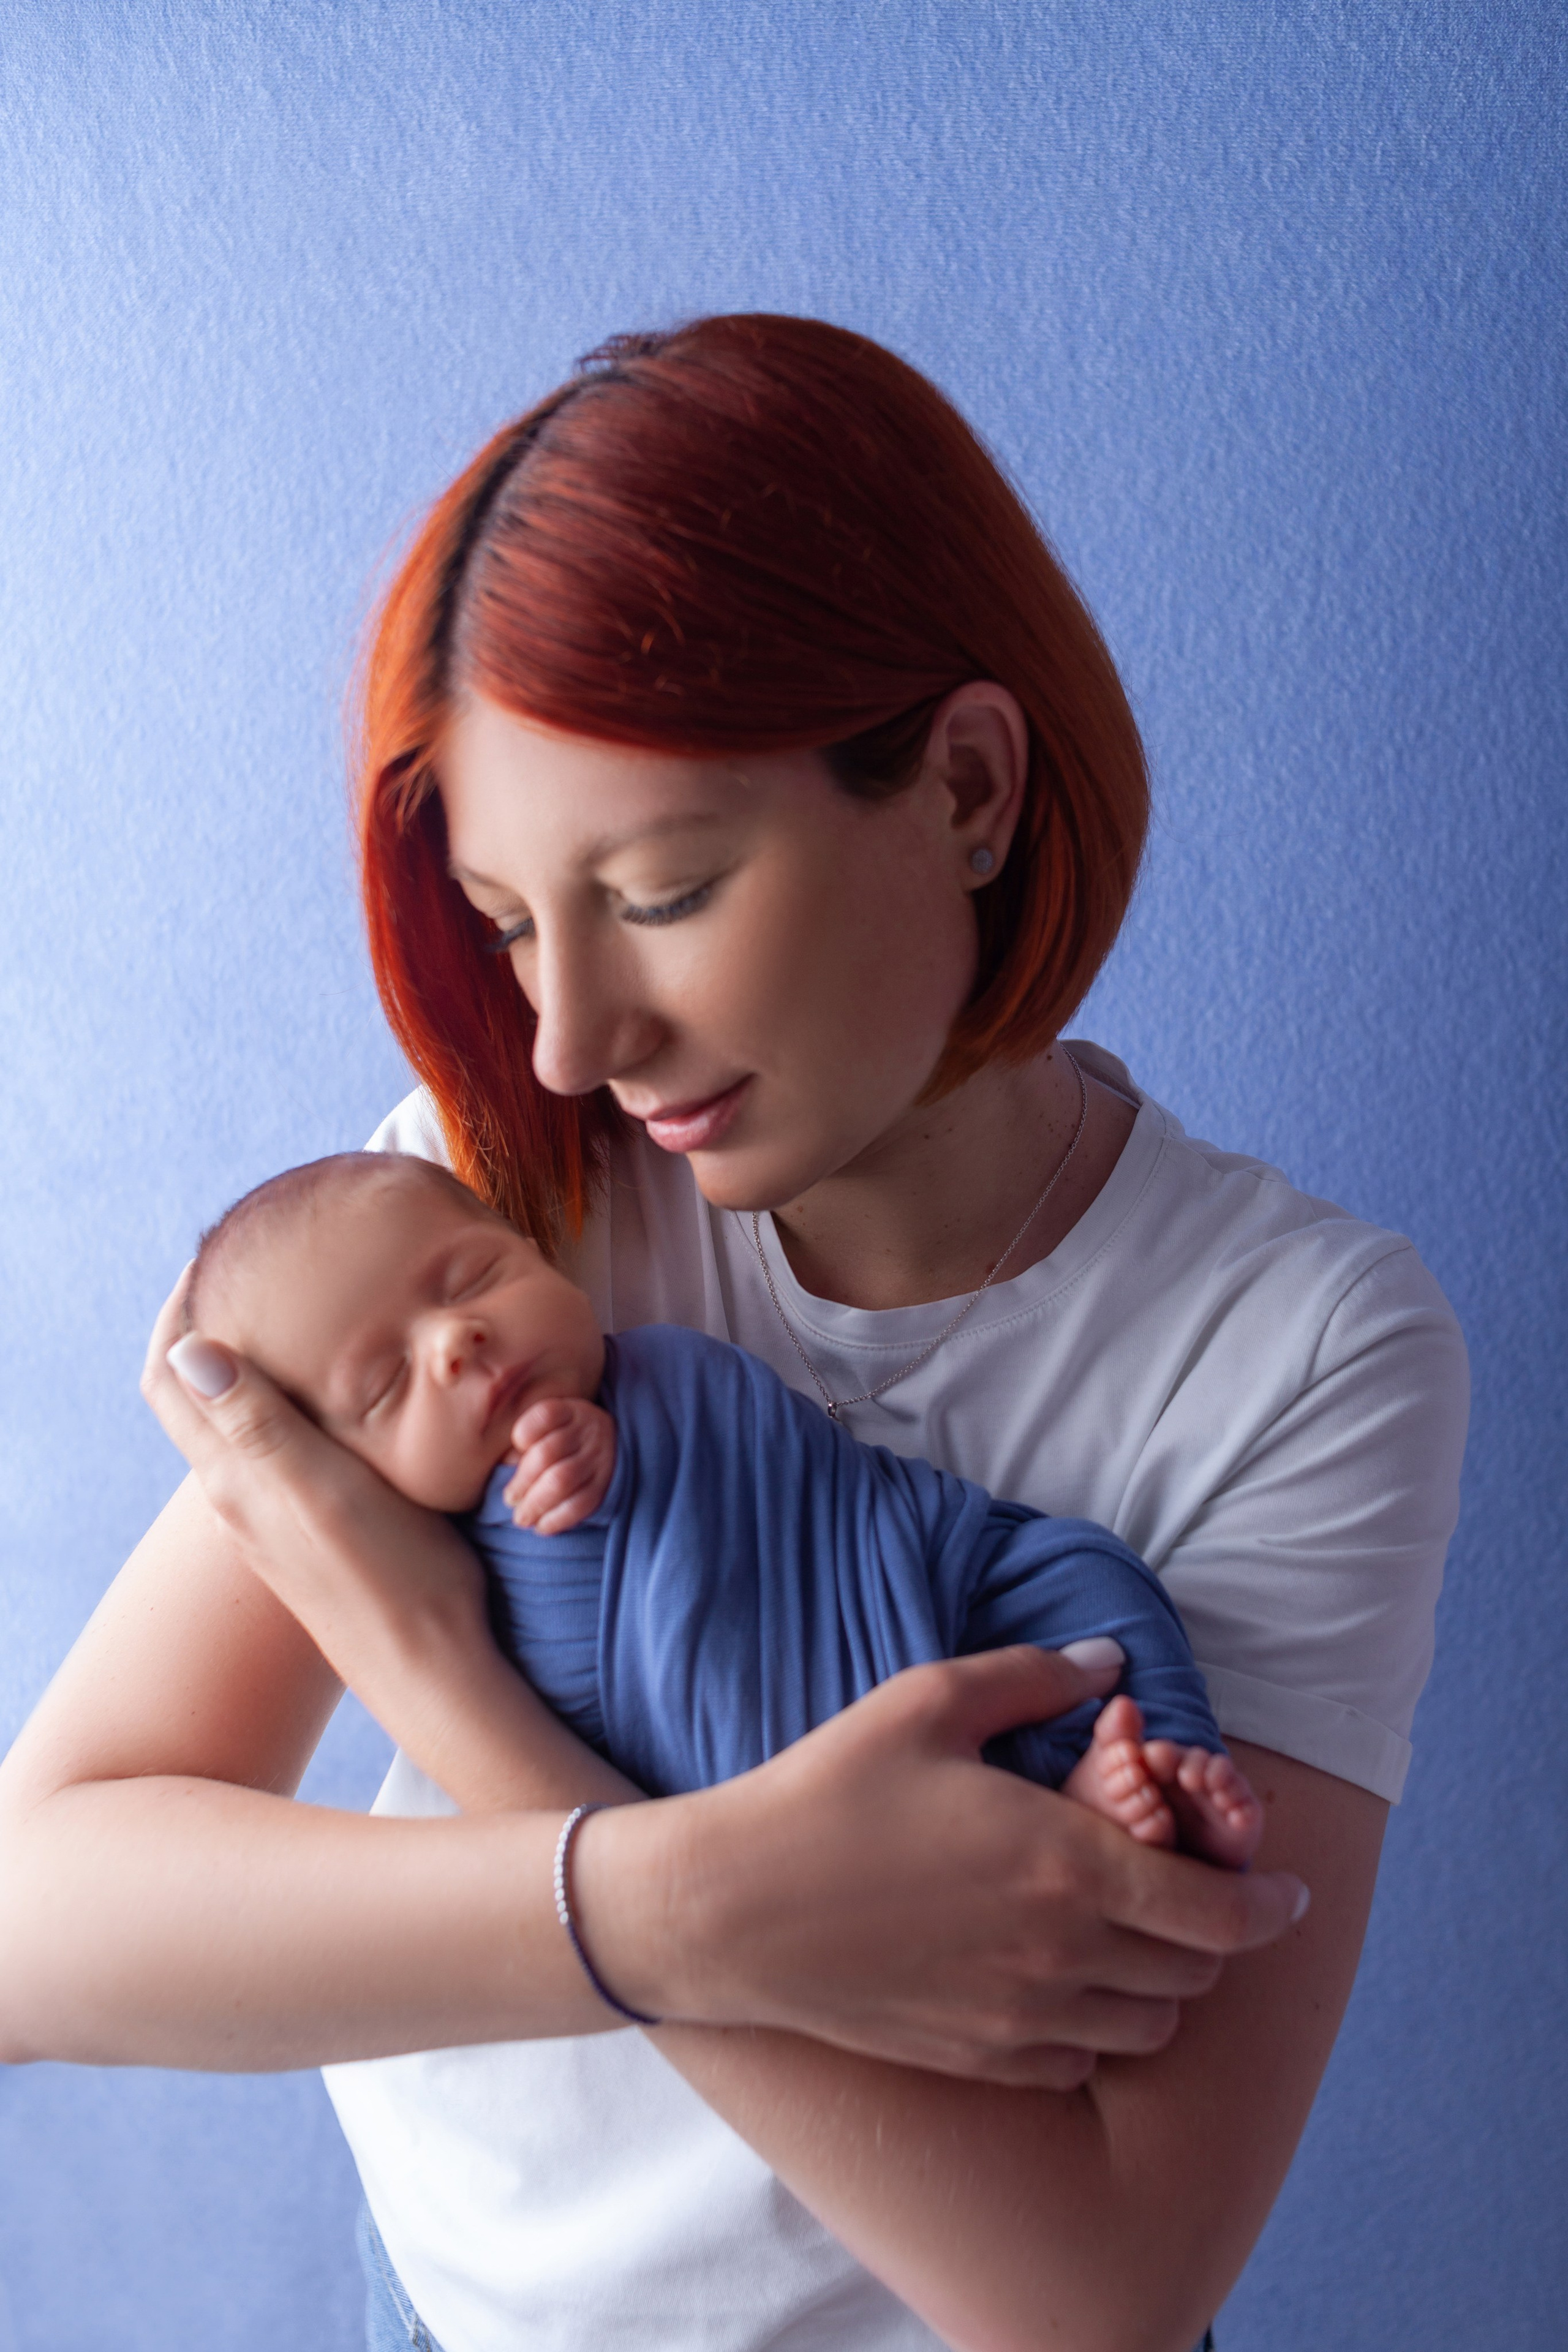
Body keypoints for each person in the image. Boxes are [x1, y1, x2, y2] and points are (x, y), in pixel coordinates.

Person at [0, 314, 1468, 2352]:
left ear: (968, 786)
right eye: (513, 923)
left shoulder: (1299, 1352)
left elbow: (1101, 2289)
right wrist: (684, 1904)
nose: (568, 1037)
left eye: (664, 893)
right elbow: (33, 1930)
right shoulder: (492, 1203)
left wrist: (440, 1679)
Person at [178, 1147, 1266, 1865]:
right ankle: (1051, 1830)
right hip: (781, 1766)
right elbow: (610, 1673)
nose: (455, 1340)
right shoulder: (424, 1562)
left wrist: (628, 1451)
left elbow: (767, 1460)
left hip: (932, 1583)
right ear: (343, 1479)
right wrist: (579, 1517)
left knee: (1086, 1578)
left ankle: (1149, 1760)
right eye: (386, 1386)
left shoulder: (659, 1373)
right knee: (832, 1835)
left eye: (473, 1279)